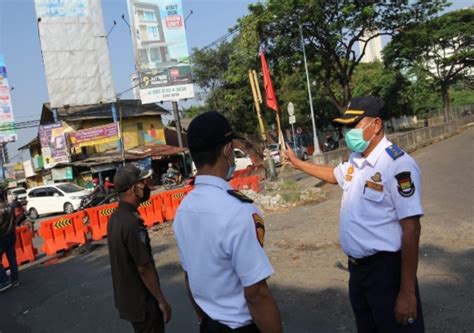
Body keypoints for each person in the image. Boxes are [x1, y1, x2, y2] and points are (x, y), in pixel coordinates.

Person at [283, 96, 425, 333]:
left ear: (376, 125)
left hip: (386, 273)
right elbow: (333, 175)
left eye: (355, 125)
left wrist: (407, 291)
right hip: (358, 273)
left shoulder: (398, 165)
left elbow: (412, 229)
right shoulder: (356, 160)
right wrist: (298, 164)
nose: (349, 132)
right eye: (347, 126)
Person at [173, 111, 282, 333]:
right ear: (227, 150)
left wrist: (203, 321)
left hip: (209, 324)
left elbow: (189, 277)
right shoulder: (238, 210)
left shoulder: (184, 208)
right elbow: (257, 294)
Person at [107, 165, 171, 333]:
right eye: (142, 182)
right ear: (133, 189)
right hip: (144, 304)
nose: (146, 185)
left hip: (130, 301)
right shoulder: (131, 222)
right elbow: (144, 267)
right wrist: (161, 301)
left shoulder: (116, 218)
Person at [0, 199, 19, 292]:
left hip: (1, 237)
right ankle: (15, 280)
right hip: (11, 235)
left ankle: (4, 281)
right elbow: (15, 219)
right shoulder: (9, 206)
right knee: (12, 259)